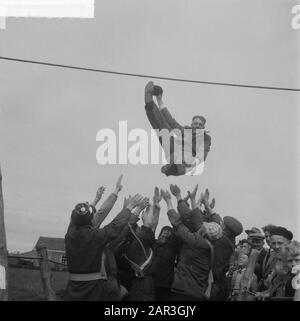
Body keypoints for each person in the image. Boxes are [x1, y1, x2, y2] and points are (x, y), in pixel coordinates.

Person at [64, 184, 144, 301]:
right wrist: (129, 207)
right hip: (92, 289)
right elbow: (115, 226)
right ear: (91, 220)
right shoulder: (97, 236)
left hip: (73, 287)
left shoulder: (69, 234)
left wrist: (95, 200)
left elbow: (83, 217)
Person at [161, 189, 222, 301]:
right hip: (197, 291)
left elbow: (177, 224)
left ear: (203, 231)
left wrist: (168, 201)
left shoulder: (197, 242)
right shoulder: (213, 243)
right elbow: (211, 221)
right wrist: (200, 203)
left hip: (184, 292)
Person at [144, 81, 211, 176]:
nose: (197, 126)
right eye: (196, 123)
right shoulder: (186, 131)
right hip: (174, 153)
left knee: (184, 157)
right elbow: (171, 122)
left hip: (187, 161)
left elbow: (203, 152)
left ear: (203, 127)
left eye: (200, 125)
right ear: (192, 124)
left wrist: (196, 162)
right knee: (163, 128)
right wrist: (159, 100)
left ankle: (173, 168)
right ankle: (149, 100)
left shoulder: (205, 138)